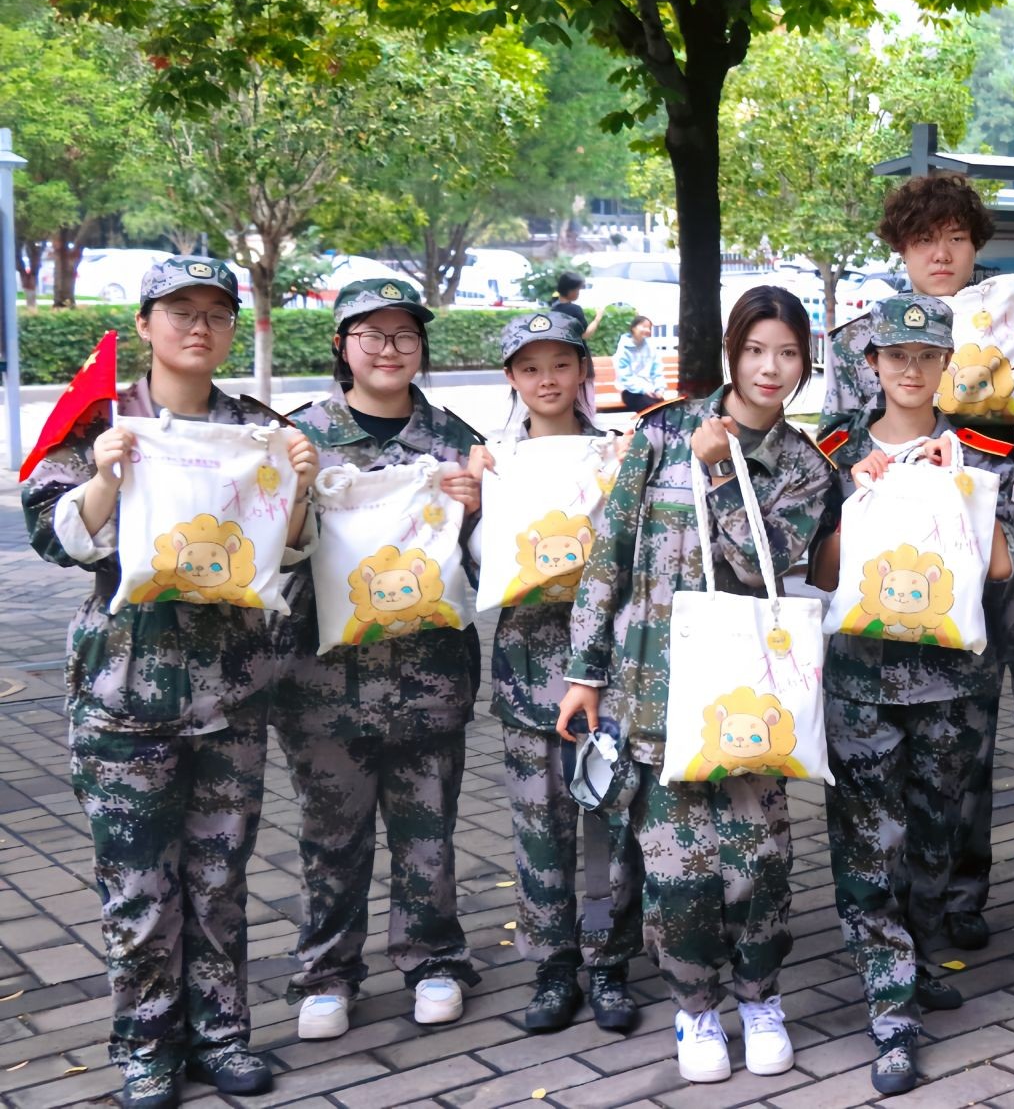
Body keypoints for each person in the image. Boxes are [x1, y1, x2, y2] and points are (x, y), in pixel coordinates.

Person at [22, 257, 318, 1108]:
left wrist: (300, 485)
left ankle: (222, 1036)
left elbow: (293, 549)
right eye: (179, 311)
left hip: (231, 692)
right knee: (140, 888)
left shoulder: (259, 430)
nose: (199, 327)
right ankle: (148, 1046)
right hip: (124, 694)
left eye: (216, 313)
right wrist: (105, 477)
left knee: (220, 878)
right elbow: (51, 536)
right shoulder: (102, 421)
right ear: (145, 324)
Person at [558, 287, 834, 1087]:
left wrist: (720, 473)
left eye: (788, 353)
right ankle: (696, 1008)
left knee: (757, 866)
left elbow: (760, 561)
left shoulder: (805, 467)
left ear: (805, 362)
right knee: (678, 875)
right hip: (654, 696)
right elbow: (609, 553)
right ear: (731, 353)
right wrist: (585, 672)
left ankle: (761, 998)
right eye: (756, 351)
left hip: (751, 699)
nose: (770, 368)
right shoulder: (662, 432)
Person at [819, 173, 1014, 954]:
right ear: (901, 250)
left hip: (981, 531)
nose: (940, 254)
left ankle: (961, 892)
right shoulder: (857, 338)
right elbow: (840, 438)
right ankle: (897, 910)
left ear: (975, 245)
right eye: (924, 240)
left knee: (969, 729)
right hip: (890, 544)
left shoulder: (1007, 322)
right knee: (899, 742)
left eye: (954, 238)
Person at [809, 295, 1014, 1097]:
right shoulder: (836, 450)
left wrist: (962, 486)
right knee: (870, 841)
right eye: (895, 355)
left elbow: (1000, 568)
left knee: (934, 838)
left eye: (926, 356)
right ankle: (890, 1004)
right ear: (872, 364)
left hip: (951, 684)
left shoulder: (980, 447)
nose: (910, 369)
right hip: (862, 682)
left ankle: (919, 951)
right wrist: (858, 499)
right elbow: (821, 571)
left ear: (945, 364)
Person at [280, 278, 486, 1040]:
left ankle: (434, 961)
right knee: (332, 836)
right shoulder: (299, 438)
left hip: (431, 675)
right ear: (342, 346)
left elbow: (493, 561)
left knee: (426, 829)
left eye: (404, 335)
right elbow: (268, 554)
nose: (389, 349)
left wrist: (479, 509)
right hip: (322, 682)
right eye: (371, 334)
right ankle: (327, 974)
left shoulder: (456, 440)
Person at [470, 312, 642, 1036]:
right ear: (512, 377)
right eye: (530, 367)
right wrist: (475, 499)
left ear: (583, 372)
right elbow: (478, 564)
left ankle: (609, 962)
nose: (547, 380)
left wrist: (630, 472)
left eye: (561, 364)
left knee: (610, 820)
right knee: (538, 827)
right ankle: (552, 965)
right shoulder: (495, 460)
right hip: (527, 672)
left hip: (608, 668)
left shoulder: (619, 452)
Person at [614, 314, 664, 413]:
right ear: (633, 328)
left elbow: (657, 371)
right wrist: (643, 390)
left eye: (649, 328)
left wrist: (659, 389)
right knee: (652, 408)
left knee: (664, 407)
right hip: (630, 391)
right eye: (644, 326)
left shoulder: (651, 347)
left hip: (650, 389)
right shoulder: (623, 349)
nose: (647, 330)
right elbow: (625, 377)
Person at [552, 269, 602, 342]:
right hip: (575, 348)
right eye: (577, 289)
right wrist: (597, 318)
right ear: (570, 290)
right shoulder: (575, 309)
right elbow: (585, 335)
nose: (578, 292)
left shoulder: (554, 309)